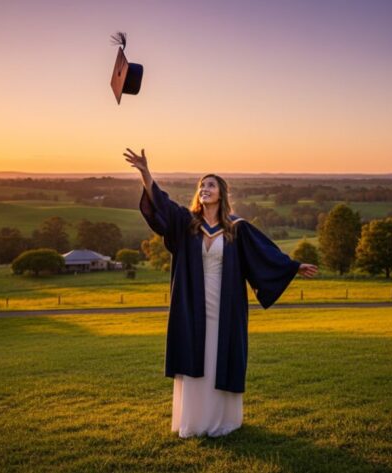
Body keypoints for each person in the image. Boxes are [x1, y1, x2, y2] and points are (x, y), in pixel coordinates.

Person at [124, 148, 318, 438]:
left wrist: (292, 266)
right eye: (202, 185)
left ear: (222, 193)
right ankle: (197, 421)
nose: (205, 189)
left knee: (220, 355)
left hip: (225, 305)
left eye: (211, 185)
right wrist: (145, 173)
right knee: (195, 353)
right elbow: (161, 205)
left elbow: (264, 254)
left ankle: (222, 420)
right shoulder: (186, 223)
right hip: (192, 302)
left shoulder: (236, 229)